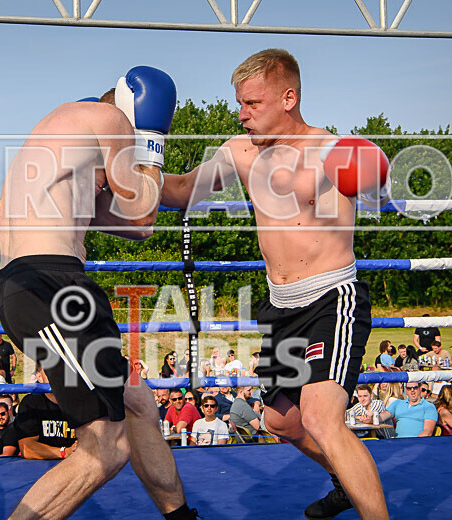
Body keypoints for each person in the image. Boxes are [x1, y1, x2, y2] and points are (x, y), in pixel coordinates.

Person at [160, 49, 389, 519]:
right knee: (282, 423)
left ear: (289, 98)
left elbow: (382, 201)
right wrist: (127, 171)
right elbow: (182, 191)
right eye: (240, 104)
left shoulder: (331, 151)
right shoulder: (239, 151)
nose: (242, 114)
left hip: (331, 298)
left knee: (321, 418)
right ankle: (345, 481)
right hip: (279, 305)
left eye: (252, 104)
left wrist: (377, 180)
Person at [0, 65, 198, 519]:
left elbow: (136, 226)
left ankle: (181, 517)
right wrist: (150, 140)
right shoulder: (111, 120)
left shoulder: (64, 142)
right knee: (106, 448)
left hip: (33, 286)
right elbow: (144, 212)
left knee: (138, 403)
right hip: (52, 287)